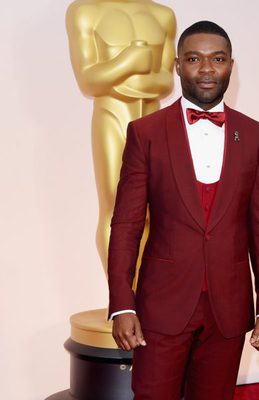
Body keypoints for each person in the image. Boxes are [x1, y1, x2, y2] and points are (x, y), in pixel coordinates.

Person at [108, 20, 259, 400]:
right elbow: (126, 225)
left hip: (229, 308)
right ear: (177, 65)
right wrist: (121, 303)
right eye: (194, 59)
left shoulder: (256, 136)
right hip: (162, 306)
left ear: (231, 66)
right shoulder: (146, 133)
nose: (206, 69)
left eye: (217, 59)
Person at [66, 0, 176, 276]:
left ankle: (143, 296)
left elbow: (165, 82)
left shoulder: (162, 15)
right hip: (111, 116)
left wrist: (123, 77)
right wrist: (128, 62)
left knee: (153, 208)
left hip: (153, 122)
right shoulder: (85, 11)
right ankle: (122, 299)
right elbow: (89, 80)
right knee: (117, 205)